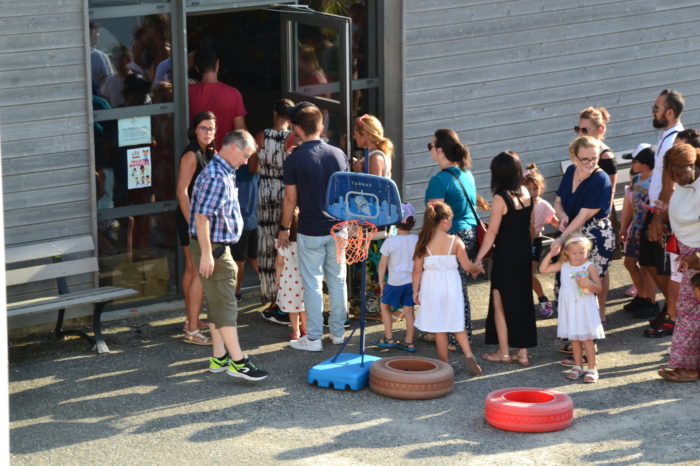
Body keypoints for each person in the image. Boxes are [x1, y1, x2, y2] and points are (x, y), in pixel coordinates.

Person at [189, 129, 267, 381]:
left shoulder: (222, 172)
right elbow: (201, 216)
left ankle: (219, 357)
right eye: (245, 155)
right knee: (226, 306)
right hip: (215, 248)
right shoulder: (216, 176)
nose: (246, 161)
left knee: (217, 302)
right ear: (233, 148)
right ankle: (238, 361)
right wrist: (207, 254)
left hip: (216, 247)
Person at [278, 102, 349, 351]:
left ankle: (315, 338)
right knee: (338, 281)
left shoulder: (295, 159)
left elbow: (290, 199)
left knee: (313, 284)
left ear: (297, 128)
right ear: (321, 126)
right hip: (339, 228)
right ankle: (338, 333)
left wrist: (284, 228)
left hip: (310, 228)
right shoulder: (339, 154)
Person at [475, 151, 537, 366]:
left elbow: (491, 232)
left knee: (500, 302)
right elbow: (530, 226)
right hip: (523, 253)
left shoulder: (501, 197)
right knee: (522, 301)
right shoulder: (527, 192)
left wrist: (478, 258)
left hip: (505, 254)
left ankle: (503, 353)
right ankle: (523, 353)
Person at [424, 129, 482, 351]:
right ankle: (460, 334)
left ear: (440, 150)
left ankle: (452, 337)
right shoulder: (466, 173)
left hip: (451, 236)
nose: (430, 151)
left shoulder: (439, 180)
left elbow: (435, 217)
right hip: (469, 232)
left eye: (431, 146)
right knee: (458, 286)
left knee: (448, 288)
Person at [412, 202, 483, 375]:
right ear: (444, 222)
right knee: (457, 324)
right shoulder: (455, 241)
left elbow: (416, 270)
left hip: (431, 286)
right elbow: (467, 266)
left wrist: (415, 291)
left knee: (439, 328)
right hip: (452, 285)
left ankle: (445, 364)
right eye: (451, 219)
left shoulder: (423, 243)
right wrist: (477, 268)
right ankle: (468, 355)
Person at [552, 136, 614, 326]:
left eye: (594, 158)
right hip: (572, 233)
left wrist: (561, 238)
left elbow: (583, 216)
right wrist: (562, 216)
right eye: (584, 159)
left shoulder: (600, 178)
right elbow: (558, 201)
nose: (590, 163)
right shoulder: (571, 171)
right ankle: (575, 333)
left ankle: (587, 334)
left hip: (594, 237)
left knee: (584, 287)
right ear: (574, 157)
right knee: (566, 284)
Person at [640, 90, 684, 321]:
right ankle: (670, 308)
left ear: (669, 112)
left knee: (663, 265)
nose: (653, 112)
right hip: (654, 208)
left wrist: (660, 219)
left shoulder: (676, 139)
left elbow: (671, 183)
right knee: (647, 261)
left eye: (656, 108)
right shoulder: (665, 136)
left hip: (664, 212)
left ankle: (673, 314)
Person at [658, 144, 700, 382]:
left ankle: (688, 367)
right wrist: (662, 218)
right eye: (671, 174)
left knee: (689, 309)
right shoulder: (685, 183)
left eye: (680, 173)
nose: (676, 179)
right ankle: (687, 365)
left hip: (696, 257)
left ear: (692, 166)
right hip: (688, 256)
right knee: (688, 309)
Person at [540, 235, 605, 383]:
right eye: (574, 253)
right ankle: (577, 366)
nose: (578, 256)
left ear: (587, 251)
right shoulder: (564, 264)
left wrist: (588, 284)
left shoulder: (588, 266)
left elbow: (599, 288)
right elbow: (543, 269)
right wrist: (551, 253)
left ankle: (592, 368)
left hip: (584, 305)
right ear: (567, 252)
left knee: (587, 339)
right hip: (569, 305)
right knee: (574, 338)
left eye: (582, 252)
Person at [350, 114, 395, 321]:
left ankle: (374, 308)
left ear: (366, 135)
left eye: (356, 133)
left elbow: (373, 193)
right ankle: (375, 306)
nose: (353, 136)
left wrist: (358, 172)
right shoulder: (375, 155)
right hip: (375, 222)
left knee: (372, 264)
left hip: (374, 224)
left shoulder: (375, 157)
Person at [176, 112, 215, 345]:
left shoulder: (208, 152)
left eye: (211, 129)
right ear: (194, 130)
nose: (208, 133)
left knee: (193, 270)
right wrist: (192, 223)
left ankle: (191, 319)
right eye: (203, 128)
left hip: (198, 220)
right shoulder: (191, 154)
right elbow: (182, 191)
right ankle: (191, 327)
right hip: (190, 219)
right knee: (194, 270)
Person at [574, 107, 618, 316]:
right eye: (578, 129)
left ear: (599, 130)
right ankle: (590, 313)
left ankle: (599, 314)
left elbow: (608, 195)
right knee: (585, 267)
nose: (580, 134)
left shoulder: (605, 156)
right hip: (580, 220)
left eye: (585, 130)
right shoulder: (582, 152)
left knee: (599, 269)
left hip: (596, 221)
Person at [258, 99, 297, 323]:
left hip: (264, 190)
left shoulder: (260, 137)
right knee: (283, 246)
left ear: (274, 113)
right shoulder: (292, 139)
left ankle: (271, 295)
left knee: (267, 245)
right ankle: (284, 298)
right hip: (284, 191)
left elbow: (253, 166)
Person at [619, 144, 659, 321]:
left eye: (634, 161)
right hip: (635, 227)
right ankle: (641, 295)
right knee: (629, 262)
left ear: (644, 164)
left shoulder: (656, 182)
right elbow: (630, 205)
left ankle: (649, 300)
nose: (631, 165)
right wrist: (624, 227)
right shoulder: (636, 180)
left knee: (646, 266)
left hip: (647, 228)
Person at [373, 203, 419, 352]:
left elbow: (382, 264)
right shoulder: (416, 239)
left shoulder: (390, 241)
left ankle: (389, 337)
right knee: (409, 311)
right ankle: (409, 342)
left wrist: (381, 282)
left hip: (394, 282)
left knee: (384, 305)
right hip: (411, 282)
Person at [188, 47, 247, 149]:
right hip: (225, 158)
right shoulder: (233, 93)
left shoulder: (188, 92)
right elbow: (241, 133)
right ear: (217, 64)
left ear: (196, 68)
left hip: (197, 157)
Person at [523, 163, 560, 318]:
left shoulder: (543, 205)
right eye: (529, 189)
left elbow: (555, 221)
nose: (533, 192)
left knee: (529, 273)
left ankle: (542, 299)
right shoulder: (519, 203)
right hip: (519, 242)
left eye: (535, 188)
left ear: (541, 188)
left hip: (534, 242)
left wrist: (569, 228)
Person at [231, 159, 261, 303]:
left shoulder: (236, 173)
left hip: (240, 223)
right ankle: (274, 288)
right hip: (252, 221)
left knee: (239, 261)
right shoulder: (256, 174)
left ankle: (236, 293)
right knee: (253, 258)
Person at [275, 208, 306, 341]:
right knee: (304, 306)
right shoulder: (304, 241)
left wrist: (277, 278)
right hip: (304, 277)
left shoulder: (282, 242)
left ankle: (295, 331)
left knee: (292, 308)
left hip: (288, 279)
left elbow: (279, 263)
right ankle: (306, 328)